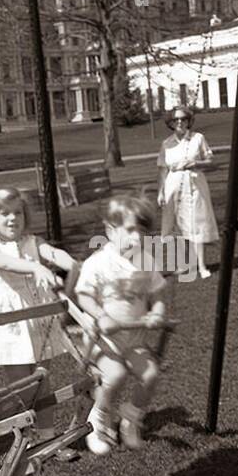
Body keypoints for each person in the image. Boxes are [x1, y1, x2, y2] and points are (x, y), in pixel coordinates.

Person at [0, 187, 80, 455]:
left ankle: (49, 440)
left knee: (41, 382)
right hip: (10, 324)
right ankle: (23, 437)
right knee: (21, 387)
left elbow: (53, 253)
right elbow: (10, 265)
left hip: (38, 321)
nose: (12, 218)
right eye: (5, 214)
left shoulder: (34, 242)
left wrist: (69, 262)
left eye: (18, 213)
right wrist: (36, 267)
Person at [74, 193, 168, 455]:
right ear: (110, 230)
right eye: (129, 230)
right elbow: (83, 295)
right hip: (103, 340)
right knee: (115, 375)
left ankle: (130, 418)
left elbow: (157, 295)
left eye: (141, 231)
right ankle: (99, 419)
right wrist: (101, 316)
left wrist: (157, 312)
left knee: (150, 375)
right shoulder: (98, 263)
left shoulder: (146, 262)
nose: (136, 238)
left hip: (134, 339)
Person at [157, 105, 218, 278]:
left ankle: (201, 266)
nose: (179, 122)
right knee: (178, 225)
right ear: (170, 122)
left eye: (183, 119)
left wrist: (195, 163)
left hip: (194, 184)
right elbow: (162, 170)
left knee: (196, 223)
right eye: (176, 119)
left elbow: (210, 161)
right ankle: (185, 265)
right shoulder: (166, 144)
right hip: (173, 185)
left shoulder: (198, 138)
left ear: (188, 121)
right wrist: (161, 192)